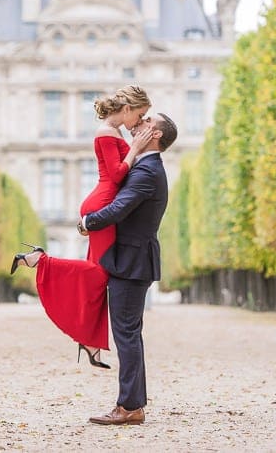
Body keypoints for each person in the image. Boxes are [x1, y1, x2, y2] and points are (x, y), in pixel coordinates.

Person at [10, 86, 154, 368]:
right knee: (100, 273)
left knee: (98, 277)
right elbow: (117, 174)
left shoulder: (115, 131)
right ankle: (41, 260)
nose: (139, 121)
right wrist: (136, 149)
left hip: (103, 202)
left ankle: (91, 343)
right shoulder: (106, 132)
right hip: (103, 204)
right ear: (127, 109)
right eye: (139, 115)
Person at [79, 112, 178, 426]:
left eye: (147, 121)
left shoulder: (147, 171)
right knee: (129, 333)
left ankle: (130, 407)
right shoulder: (144, 166)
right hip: (131, 260)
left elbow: (120, 208)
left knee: (126, 335)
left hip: (132, 263)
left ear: (156, 134)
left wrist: (88, 222)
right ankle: (132, 404)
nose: (139, 122)